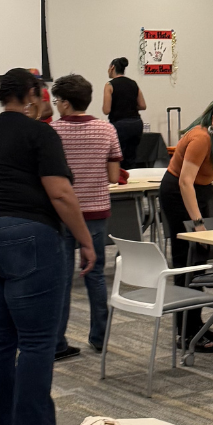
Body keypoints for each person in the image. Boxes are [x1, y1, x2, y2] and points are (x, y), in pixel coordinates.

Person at [0, 68, 94, 425]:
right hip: (26, 235)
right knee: (36, 342)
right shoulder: (40, 133)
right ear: (33, 94)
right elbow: (61, 193)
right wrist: (85, 240)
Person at [158, 98, 213, 350]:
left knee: (200, 258)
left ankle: (197, 326)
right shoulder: (200, 139)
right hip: (177, 193)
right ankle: (185, 334)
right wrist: (197, 223)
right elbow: (185, 182)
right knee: (186, 259)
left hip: (200, 191)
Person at [50, 73, 122, 358]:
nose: (55, 104)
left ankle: (57, 341)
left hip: (61, 213)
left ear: (66, 103)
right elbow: (114, 176)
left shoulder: (52, 132)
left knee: (62, 277)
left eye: (57, 100)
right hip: (95, 211)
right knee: (96, 275)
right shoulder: (106, 130)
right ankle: (100, 337)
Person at [103, 57, 146, 168]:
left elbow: (106, 110)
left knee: (118, 158)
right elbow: (142, 105)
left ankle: (119, 181)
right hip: (136, 124)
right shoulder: (133, 83)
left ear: (112, 68)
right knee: (131, 158)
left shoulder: (109, 85)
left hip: (120, 124)